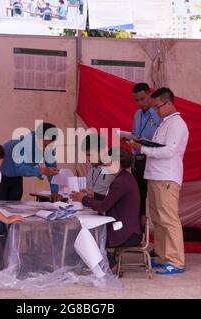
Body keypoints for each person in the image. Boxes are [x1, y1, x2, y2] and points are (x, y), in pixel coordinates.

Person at [130, 87, 189, 275]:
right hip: (155, 175)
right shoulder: (164, 123)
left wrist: (144, 149)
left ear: (169, 103)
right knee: (158, 220)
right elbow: (159, 147)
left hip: (166, 177)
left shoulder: (177, 124)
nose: (155, 110)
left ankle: (176, 261)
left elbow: (169, 151)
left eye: (158, 106)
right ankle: (163, 257)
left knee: (169, 219)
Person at [71, 147, 141, 272]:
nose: (104, 164)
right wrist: (95, 195)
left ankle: (111, 264)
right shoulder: (125, 178)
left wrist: (83, 199)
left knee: (91, 234)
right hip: (128, 228)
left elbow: (104, 206)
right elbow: (112, 200)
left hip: (125, 232)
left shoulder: (120, 182)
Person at [0, 122, 61, 202]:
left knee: (14, 205)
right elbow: (19, 168)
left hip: (16, 176)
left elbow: (52, 170)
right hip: (0, 175)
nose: (45, 149)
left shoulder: (48, 148)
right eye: (45, 145)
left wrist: (54, 191)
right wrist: (41, 170)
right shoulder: (21, 144)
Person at [127, 83, 161, 217]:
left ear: (149, 94)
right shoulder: (137, 114)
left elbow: (161, 139)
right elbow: (135, 134)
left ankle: (154, 230)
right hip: (138, 160)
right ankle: (139, 232)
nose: (139, 103)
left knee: (155, 198)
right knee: (138, 198)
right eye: (136, 100)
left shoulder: (158, 113)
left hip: (152, 160)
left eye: (142, 99)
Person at [81, 134, 114, 200]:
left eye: (91, 155)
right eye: (87, 155)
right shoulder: (91, 167)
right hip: (90, 207)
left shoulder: (114, 169)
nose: (89, 159)